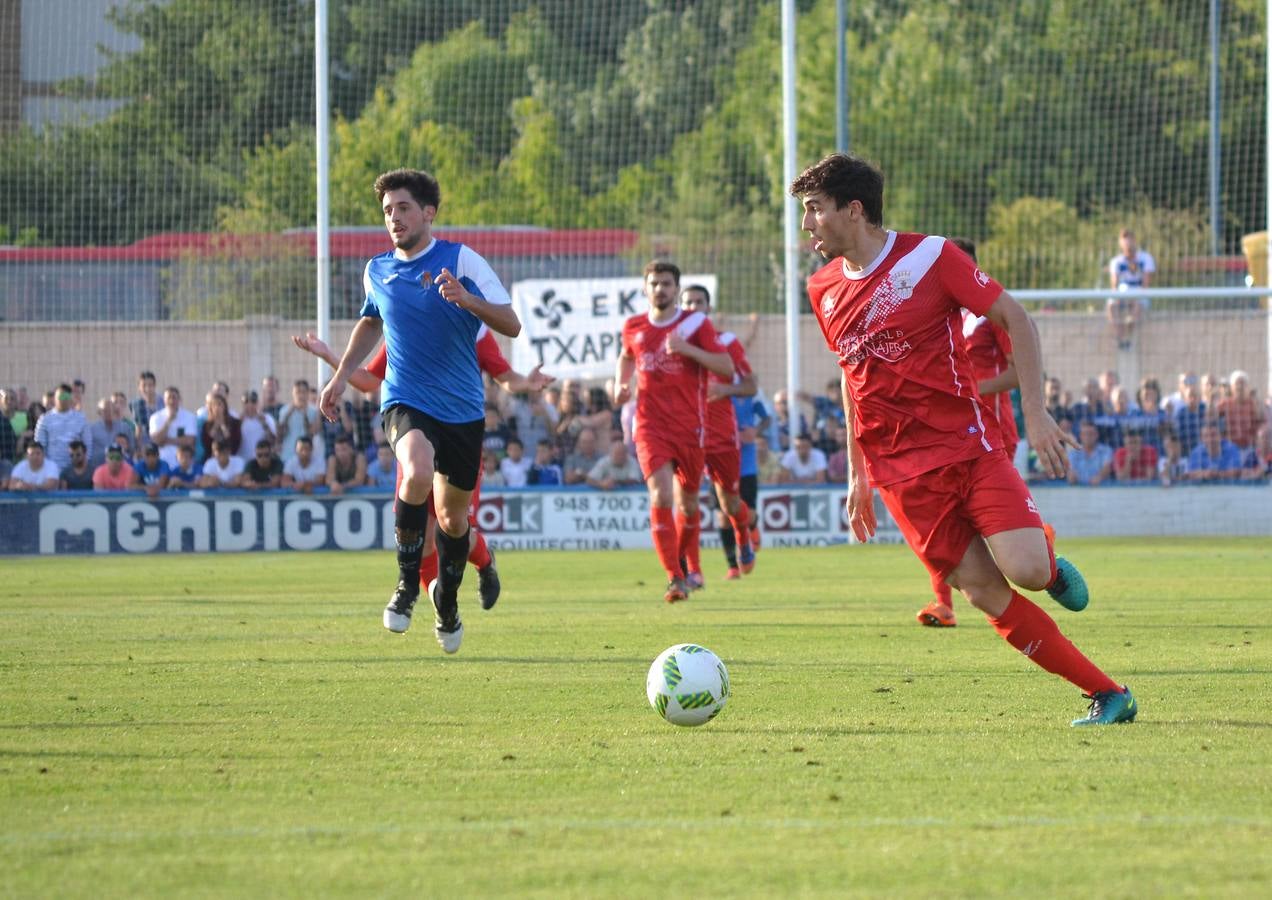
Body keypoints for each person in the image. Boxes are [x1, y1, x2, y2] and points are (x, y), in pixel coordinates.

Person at [790, 151, 1135, 726]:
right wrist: (858, 475)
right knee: (982, 593)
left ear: (853, 210)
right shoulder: (821, 288)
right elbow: (854, 381)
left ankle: (1047, 563)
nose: (807, 224)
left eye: (814, 210)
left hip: (967, 449)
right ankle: (1109, 694)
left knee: (1024, 571)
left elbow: (1015, 319)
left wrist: (1037, 411)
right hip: (899, 476)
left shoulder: (931, 257)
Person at [319, 167, 523, 654]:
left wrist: (467, 299)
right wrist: (340, 376)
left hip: (463, 412)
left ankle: (447, 604)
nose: (394, 217)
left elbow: (512, 324)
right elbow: (369, 324)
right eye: (387, 210)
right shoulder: (377, 270)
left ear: (428, 212)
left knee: (453, 521)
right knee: (414, 469)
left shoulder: (461, 259)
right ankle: (408, 584)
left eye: (403, 207)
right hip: (405, 400)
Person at [295, 319, 551, 625]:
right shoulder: (404, 323)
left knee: (454, 528)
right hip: (415, 437)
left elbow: (505, 376)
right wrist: (329, 356)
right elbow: (367, 381)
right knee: (423, 538)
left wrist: (527, 384)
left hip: (458, 439)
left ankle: (484, 562)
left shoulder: (472, 329)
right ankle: (435, 606)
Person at [917, 237, 1025, 628]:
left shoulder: (990, 314)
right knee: (943, 519)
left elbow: (1017, 370)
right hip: (949, 435)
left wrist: (971, 388)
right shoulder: (934, 315)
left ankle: (1040, 545)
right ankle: (942, 604)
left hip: (993, 434)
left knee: (987, 527)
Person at [613, 260, 735, 602]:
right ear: (645, 288)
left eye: (666, 283)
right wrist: (620, 384)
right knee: (661, 496)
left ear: (676, 289)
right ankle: (674, 578)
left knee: (690, 503)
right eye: (654, 283)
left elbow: (726, 367)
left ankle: (688, 565)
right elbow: (625, 357)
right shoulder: (634, 326)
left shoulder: (695, 326)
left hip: (691, 429)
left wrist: (687, 349)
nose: (660, 289)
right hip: (650, 427)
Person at [680, 283, 758, 583]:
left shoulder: (726, 341)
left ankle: (743, 534)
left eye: (699, 301)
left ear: (708, 308)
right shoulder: (671, 343)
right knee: (685, 501)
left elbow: (750, 386)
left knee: (729, 504)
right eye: (688, 302)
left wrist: (726, 389)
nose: (694, 306)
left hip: (721, 434)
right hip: (685, 434)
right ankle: (692, 571)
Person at [1107, 227, 1156, 350]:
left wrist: (1136, 296)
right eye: (1124, 240)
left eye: (1129, 240)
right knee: (1111, 305)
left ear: (1134, 241)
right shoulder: (1116, 261)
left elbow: (1145, 283)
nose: (1127, 243)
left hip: (1138, 294)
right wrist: (1117, 297)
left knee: (1137, 304)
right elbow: (1114, 284)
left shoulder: (1145, 258)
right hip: (1123, 293)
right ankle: (1121, 338)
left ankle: (1126, 336)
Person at [35, 383, 92, 472]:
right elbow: (40, 446)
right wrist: (46, 469)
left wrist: (81, 469)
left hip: (75, 470)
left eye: (66, 396)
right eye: (60, 397)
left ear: (70, 398)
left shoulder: (81, 419)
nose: (63, 400)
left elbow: (87, 445)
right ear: (54, 398)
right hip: (51, 470)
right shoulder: (44, 419)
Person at [1216, 370, 1265, 453]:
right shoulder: (1223, 405)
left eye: (1243, 383)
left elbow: (1261, 425)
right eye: (1237, 384)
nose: (1240, 386)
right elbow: (1214, 422)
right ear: (1231, 387)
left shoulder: (1254, 404)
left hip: (1250, 449)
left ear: (1247, 387)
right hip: (1229, 448)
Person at [148, 386, 198, 469]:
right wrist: (168, 422)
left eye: (174, 397)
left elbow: (190, 441)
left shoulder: (189, 417)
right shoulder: (155, 417)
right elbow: (156, 440)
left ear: (179, 399)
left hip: (183, 462)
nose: (171, 401)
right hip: (162, 461)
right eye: (168, 398)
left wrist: (166, 440)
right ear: (164, 400)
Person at [277, 380, 321, 463]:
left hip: (307, 458)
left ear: (308, 393)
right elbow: (280, 435)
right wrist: (288, 415)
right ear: (293, 393)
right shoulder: (284, 411)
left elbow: (313, 432)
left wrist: (305, 415)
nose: (301, 396)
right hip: (288, 456)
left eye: (303, 392)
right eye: (298, 392)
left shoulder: (313, 411)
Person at [88, 396, 134, 468]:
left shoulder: (125, 428)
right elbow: (88, 451)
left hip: (121, 469)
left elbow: (132, 448)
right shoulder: (92, 430)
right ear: (99, 412)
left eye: (111, 410)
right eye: (105, 410)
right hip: (98, 468)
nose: (108, 413)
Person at [1067, 420, 1113, 485]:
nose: (1087, 437)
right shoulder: (1073, 453)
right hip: (1078, 490)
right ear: (1080, 436)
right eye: (1084, 434)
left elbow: (1106, 468)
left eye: (1091, 434)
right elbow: (1071, 471)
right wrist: (1071, 476)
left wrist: (1099, 477)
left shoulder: (1106, 451)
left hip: (1101, 490)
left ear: (1097, 435)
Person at [236, 390, 277, 464]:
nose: (250, 405)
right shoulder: (236, 419)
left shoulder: (267, 418)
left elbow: (273, 440)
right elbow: (232, 441)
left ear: (258, 403)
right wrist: (238, 423)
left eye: (253, 401)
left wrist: (264, 424)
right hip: (241, 461)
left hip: (261, 462)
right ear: (242, 404)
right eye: (246, 402)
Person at [130, 370, 159, 450]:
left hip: (161, 443)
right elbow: (138, 429)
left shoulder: (162, 403)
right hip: (146, 446)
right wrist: (139, 449)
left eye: (150, 385)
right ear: (139, 387)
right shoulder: (137, 404)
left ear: (155, 386)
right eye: (144, 385)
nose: (147, 389)